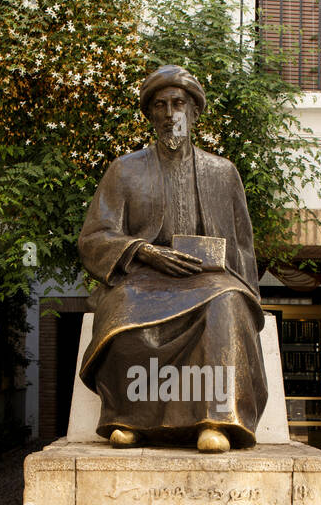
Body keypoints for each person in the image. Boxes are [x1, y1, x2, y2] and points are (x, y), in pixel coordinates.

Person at [77, 65, 268, 452]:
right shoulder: (124, 170)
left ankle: (215, 421)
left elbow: (244, 247)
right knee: (123, 306)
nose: (169, 113)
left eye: (178, 103)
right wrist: (144, 250)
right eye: (160, 105)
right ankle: (128, 418)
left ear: (194, 112)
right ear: (150, 115)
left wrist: (239, 285)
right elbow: (95, 236)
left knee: (228, 302)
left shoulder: (223, 173)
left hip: (209, 277)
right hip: (142, 276)